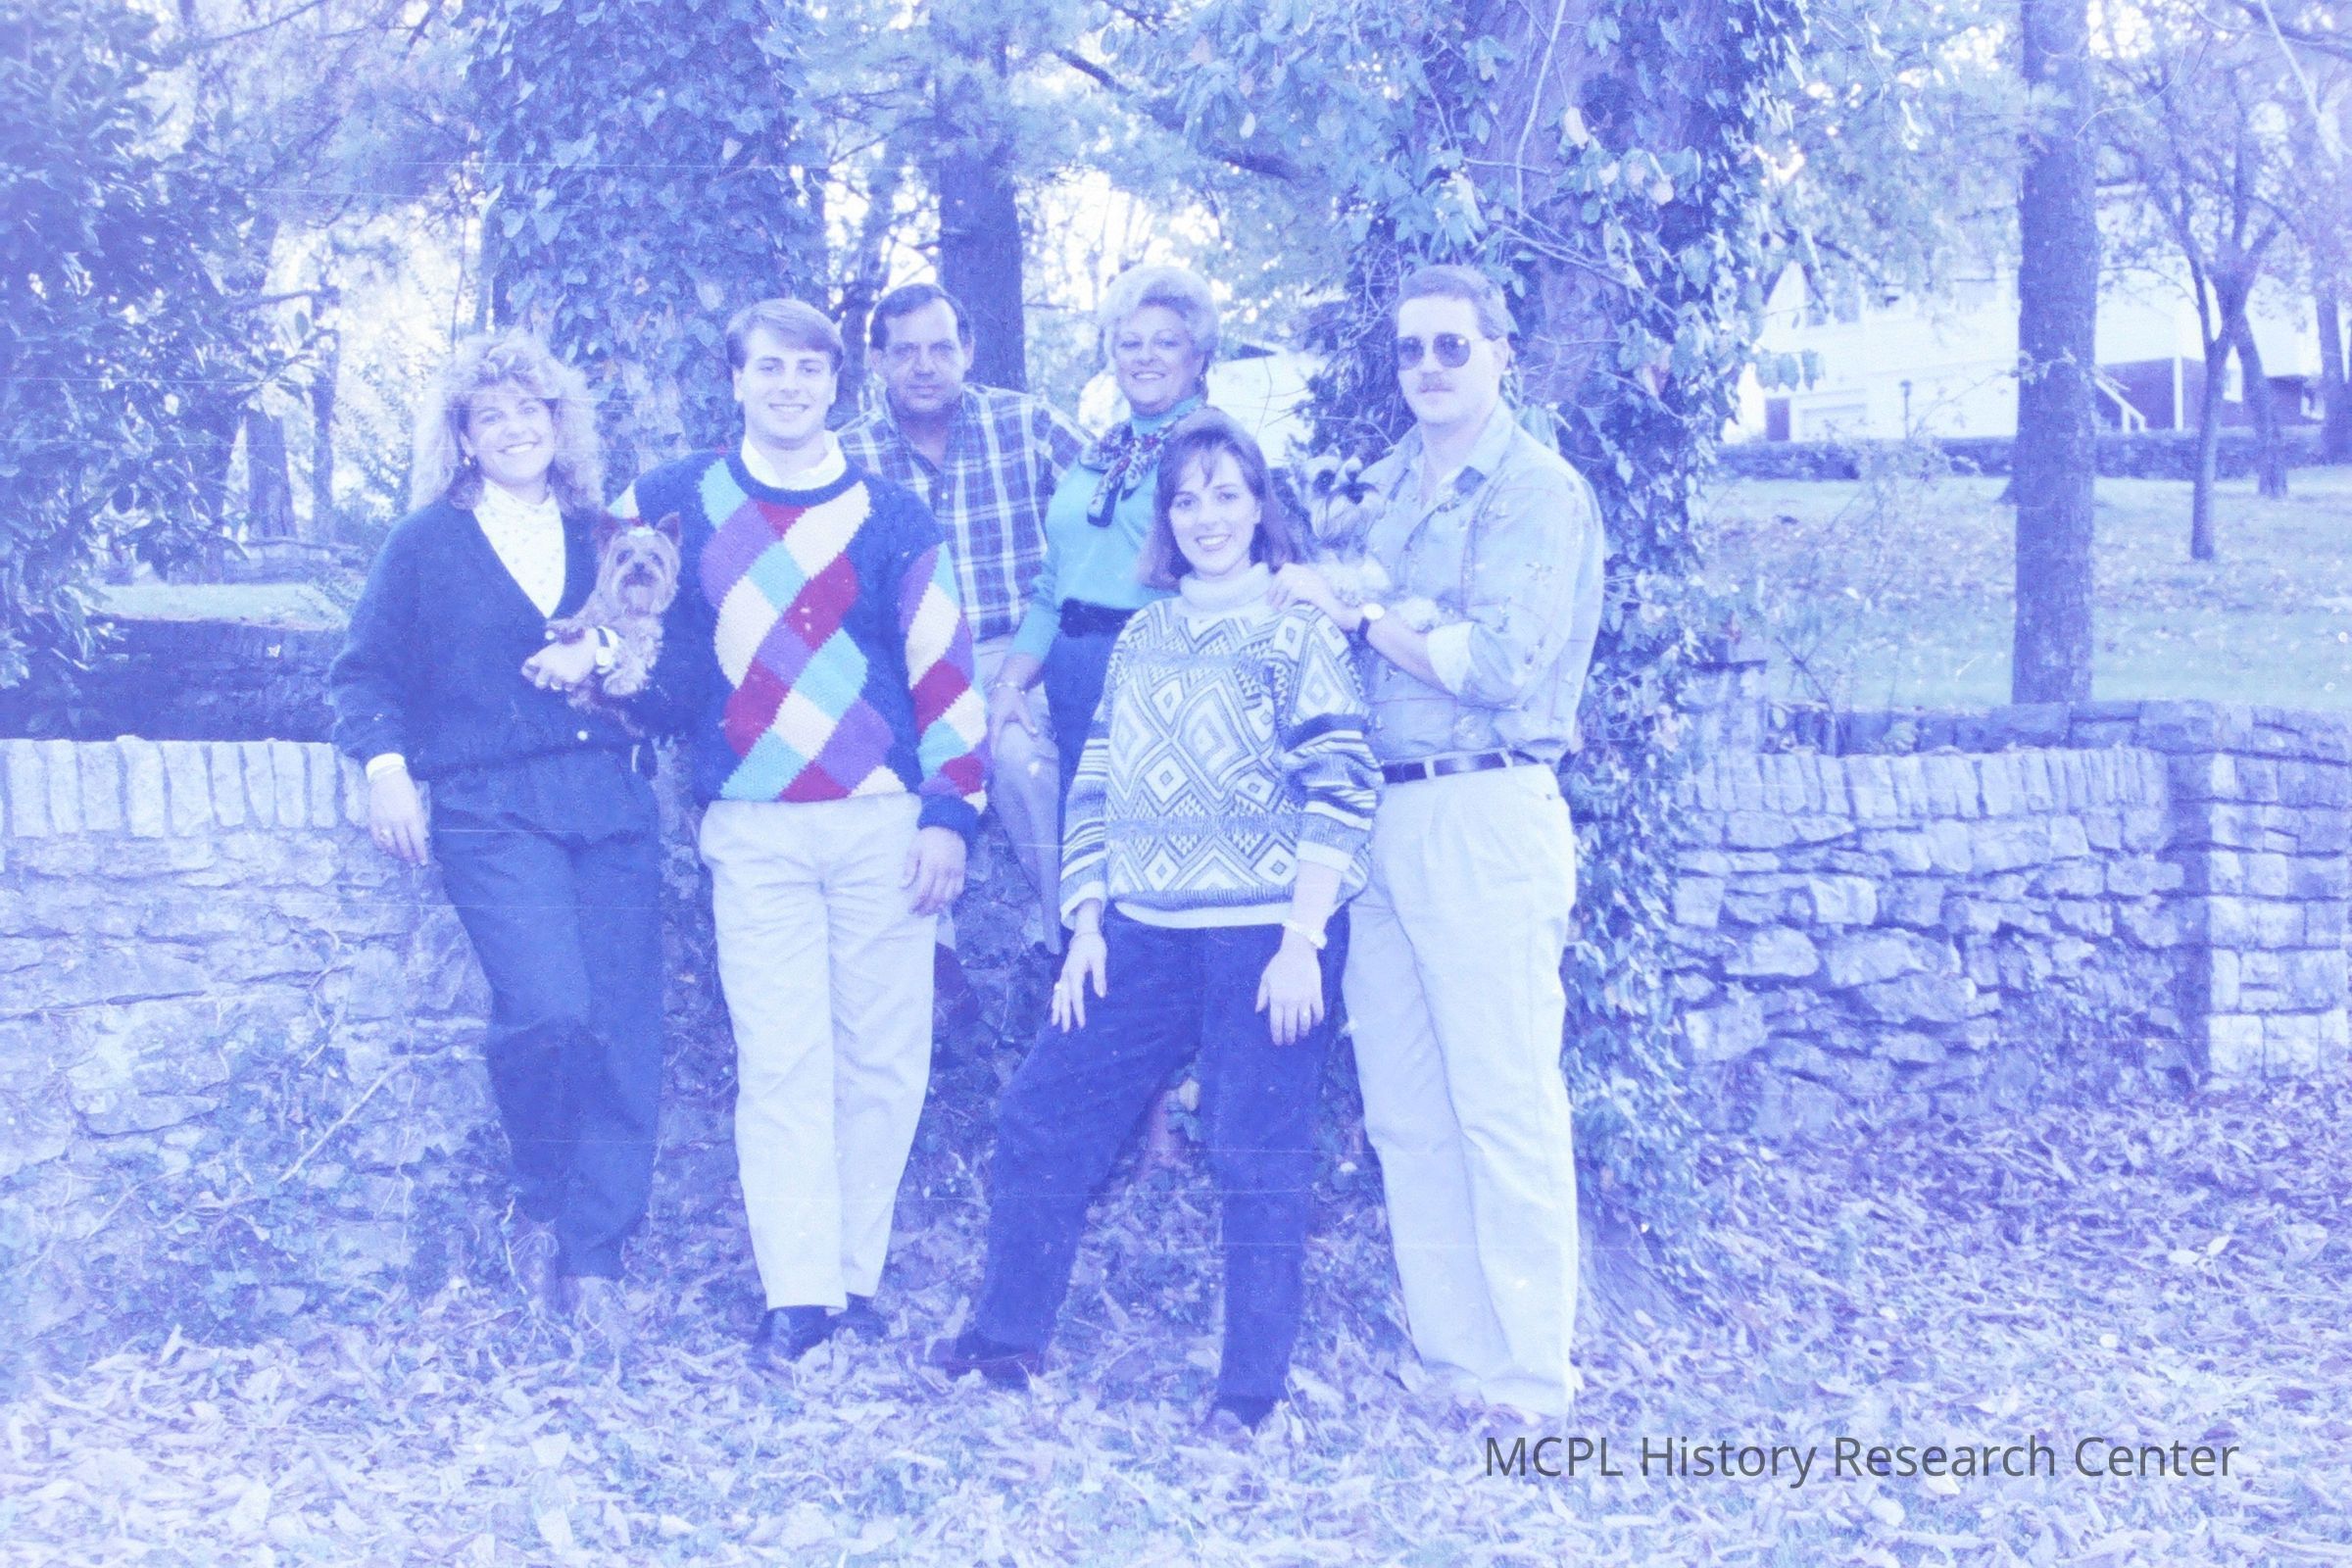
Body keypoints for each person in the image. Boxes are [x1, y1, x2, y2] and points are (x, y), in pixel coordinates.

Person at [938, 410, 1380, 1440]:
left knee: (1254, 1151)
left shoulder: (1299, 630)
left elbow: (1344, 785)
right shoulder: (1144, 635)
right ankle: (1005, 1341)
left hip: (1269, 937)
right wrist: (1087, 923)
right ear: (1165, 519)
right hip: (1141, 933)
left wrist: (1304, 940)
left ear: (1261, 507)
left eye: (1227, 494)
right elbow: (1096, 783)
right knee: (1042, 1112)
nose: (1206, 516)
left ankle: (1248, 1394)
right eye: (1186, 499)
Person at [619, 298, 988, 1367]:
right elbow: (591, 575)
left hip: (882, 821)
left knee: (884, 1060)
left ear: (837, 382)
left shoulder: (892, 513)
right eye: (769, 367)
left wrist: (950, 812)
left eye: (809, 369)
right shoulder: (676, 496)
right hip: (752, 822)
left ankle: (854, 1276)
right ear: (735, 379)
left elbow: (946, 671)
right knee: (781, 1060)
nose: (789, 386)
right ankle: (798, 1294)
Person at [1268, 265, 1607, 1423]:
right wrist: (1380, 616)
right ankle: (1456, 1358)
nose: (1429, 367)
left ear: (1502, 354)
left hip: (1486, 806)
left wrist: (1366, 616)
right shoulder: (1382, 488)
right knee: (1407, 1106)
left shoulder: (1537, 491)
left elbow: (1498, 665)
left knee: (1503, 1101)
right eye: (1411, 349)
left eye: (1453, 346)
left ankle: (1531, 1375)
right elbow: (1350, 622)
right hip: (1378, 813)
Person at [328, 329, 662, 1354]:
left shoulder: (606, 531)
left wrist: (600, 653)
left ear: (559, 424)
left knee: (624, 1033)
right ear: (464, 438)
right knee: (551, 1010)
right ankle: (540, 1194)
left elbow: (673, 657)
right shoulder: (424, 542)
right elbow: (363, 673)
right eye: (492, 415)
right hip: (490, 806)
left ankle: (595, 1262)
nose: (516, 428)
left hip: (608, 802)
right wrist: (386, 769)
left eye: (532, 409)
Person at [838, 283, 1087, 991]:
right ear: (877, 361)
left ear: (968, 351)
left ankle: (1070, 943)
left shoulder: (1027, 424)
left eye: (941, 348)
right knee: (886, 773)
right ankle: (930, 966)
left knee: (1022, 760)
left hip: (1013, 652)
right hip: (900, 665)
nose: (925, 366)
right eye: (905, 352)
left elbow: (1119, 508)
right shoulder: (846, 454)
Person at [993, 264, 1220, 812]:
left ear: (1198, 357)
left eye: (1166, 342)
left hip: (1167, 675)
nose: (1145, 356)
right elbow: (1054, 590)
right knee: (1087, 840)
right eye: (1130, 343)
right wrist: (1010, 685)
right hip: (1076, 677)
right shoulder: (1098, 455)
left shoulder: (1212, 447)